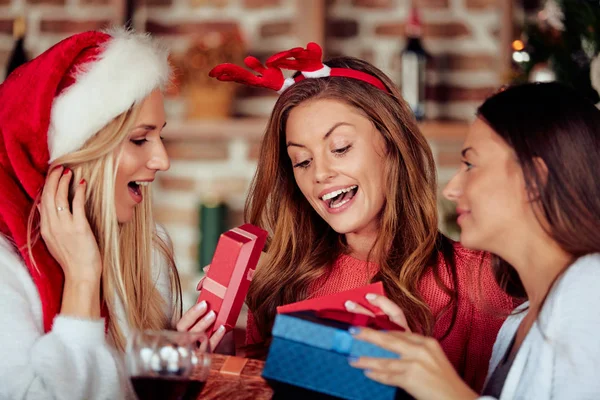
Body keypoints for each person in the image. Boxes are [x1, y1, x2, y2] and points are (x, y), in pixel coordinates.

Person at [209, 42, 516, 392]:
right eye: (302, 161)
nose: (320, 174)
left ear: (391, 142)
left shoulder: (482, 280)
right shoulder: (282, 281)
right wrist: (218, 361)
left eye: (340, 148)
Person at [0, 29, 225, 400]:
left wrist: (175, 359)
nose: (162, 160)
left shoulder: (147, 250)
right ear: (77, 153)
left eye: (160, 136)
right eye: (140, 139)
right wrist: (83, 281)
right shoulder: (7, 270)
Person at [349, 82, 600, 399]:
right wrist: (410, 369)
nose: (451, 189)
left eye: (470, 164)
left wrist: (448, 391)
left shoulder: (591, 286)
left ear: (534, 179)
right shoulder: (518, 322)